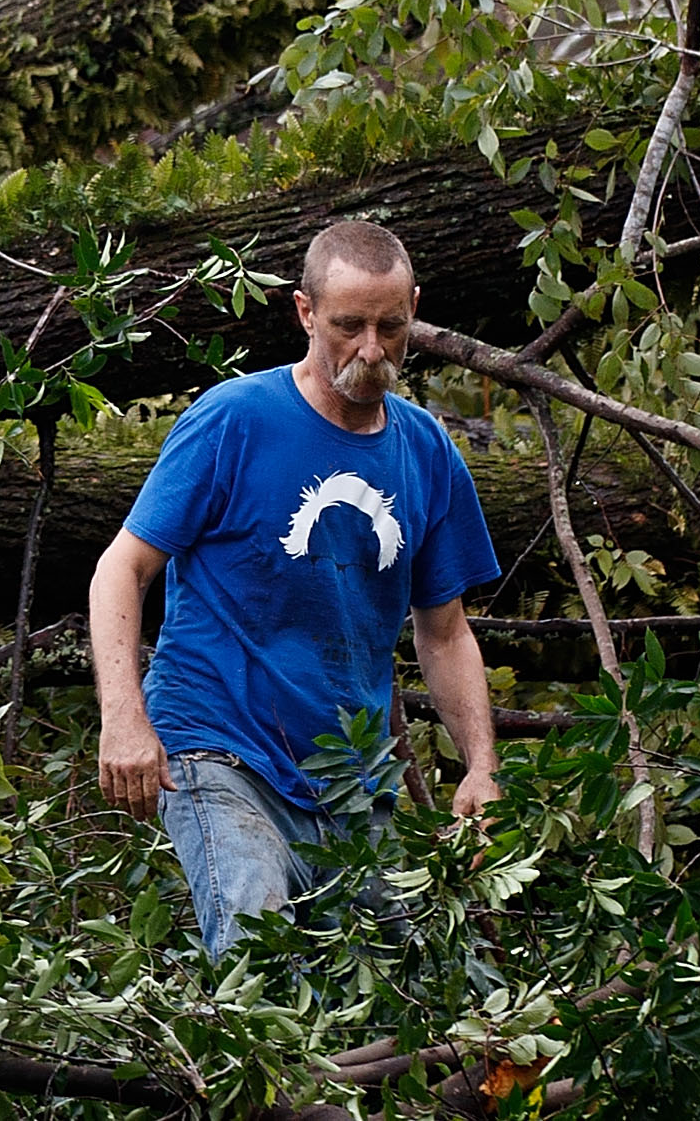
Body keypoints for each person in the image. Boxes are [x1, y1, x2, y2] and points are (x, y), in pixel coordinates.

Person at [86, 216, 502, 956]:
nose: (371, 349)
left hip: (351, 776)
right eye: (349, 325)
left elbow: (445, 631)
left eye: (391, 325)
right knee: (260, 952)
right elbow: (123, 566)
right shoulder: (235, 419)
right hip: (220, 748)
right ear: (306, 312)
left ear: (414, 309)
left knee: (425, 979)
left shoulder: (428, 450)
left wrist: (480, 767)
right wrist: (124, 717)